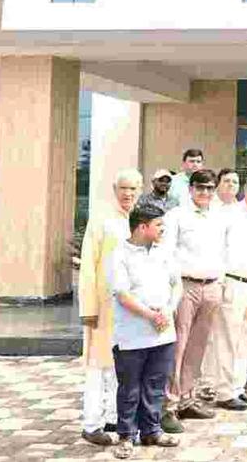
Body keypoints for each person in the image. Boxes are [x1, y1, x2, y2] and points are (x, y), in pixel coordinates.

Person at [108, 204, 182, 459]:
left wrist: (168, 311)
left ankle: (152, 430)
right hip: (132, 335)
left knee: (155, 384)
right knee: (130, 388)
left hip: (163, 331)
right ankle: (126, 436)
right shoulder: (120, 254)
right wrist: (151, 315)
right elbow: (123, 295)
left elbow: (176, 285)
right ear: (142, 227)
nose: (163, 229)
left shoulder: (164, 251)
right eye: (158, 225)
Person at [79, 169, 143, 446]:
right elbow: (88, 266)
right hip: (104, 308)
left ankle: (117, 419)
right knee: (98, 366)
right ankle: (91, 424)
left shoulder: (140, 220)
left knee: (123, 367)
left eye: (133, 189)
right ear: (115, 189)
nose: (128, 194)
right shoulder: (102, 220)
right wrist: (89, 307)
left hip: (131, 309)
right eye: (124, 188)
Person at [160, 169, 227, 433]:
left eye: (210, 188)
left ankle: (187, 398)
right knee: (178, 346)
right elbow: (165, 253)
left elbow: (222, 251)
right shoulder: (176, 216)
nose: (205, 193)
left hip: (211, 286)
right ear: (190, 189)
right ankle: (168, 405)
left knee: (198, 346)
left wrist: (219, 281)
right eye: (200, 188)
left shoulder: (218, 217)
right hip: (185, 286)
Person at [208, 172, 247, 411]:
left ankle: (238, 387)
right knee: (227, 339)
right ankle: (224, 391)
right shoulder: (229, 214)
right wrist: (221, 280)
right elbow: (218, 249)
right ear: (246, 188)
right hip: (232, 283)